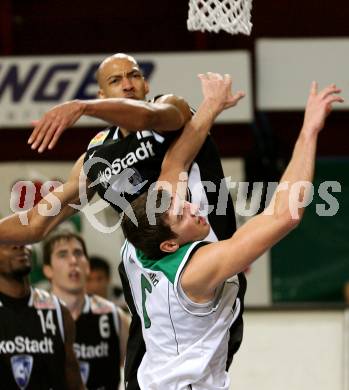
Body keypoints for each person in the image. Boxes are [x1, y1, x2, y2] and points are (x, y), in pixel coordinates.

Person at [0, 54, 245, 389]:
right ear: (103, 93)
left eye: (134, 75)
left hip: (199, 271)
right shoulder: (97, 154)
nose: (128, 83)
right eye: (115, 80)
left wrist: (81, 107)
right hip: (150, 288)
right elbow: (35, 224)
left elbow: (148, 116)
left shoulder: (171, 109)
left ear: (146, 84)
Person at [118, 82, 343, 389]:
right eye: (182, 215)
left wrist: (211, 105)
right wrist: (309, 130)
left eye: (181, 201)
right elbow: (286, 213)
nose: (192, 207)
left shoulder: (139, 243)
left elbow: (176, 162)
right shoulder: (196, 270)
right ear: (170, 244)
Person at [42, 231, 129, 390]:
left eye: (78, 253)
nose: (73, 261)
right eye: (63, 255)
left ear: (87, 266)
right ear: (48, 270)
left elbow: (140, 366)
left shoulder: (113, 315)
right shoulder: (36, 315)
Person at [0, 243, 84, 390]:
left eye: (24, 239)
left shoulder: (58, 310)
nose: (18, 246)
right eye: (7, 242)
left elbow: (74, 381)